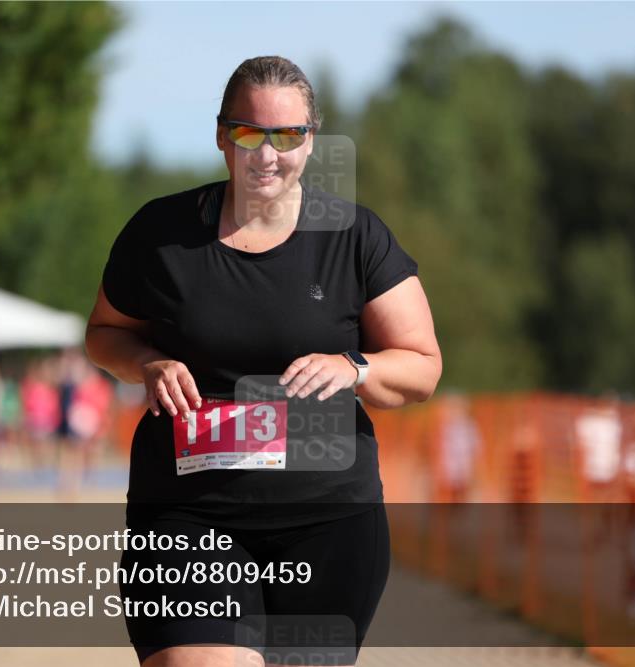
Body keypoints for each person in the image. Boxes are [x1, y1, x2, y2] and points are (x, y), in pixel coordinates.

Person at [86, 56, 442, 667]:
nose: (267, 155)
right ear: (223, 135)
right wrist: (146, 361)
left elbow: (421, 366)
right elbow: (102, 335)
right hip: (187, 511)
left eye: (288, 136)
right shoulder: (161, 233)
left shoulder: (356, 238)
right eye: (250, 134)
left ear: (311, 140)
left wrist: (355, 368)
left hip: (327, 521)